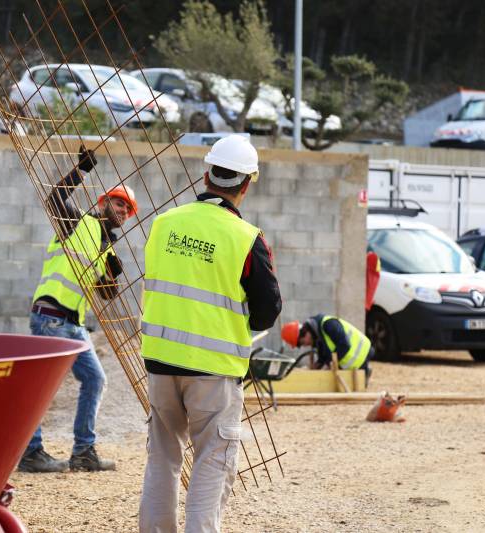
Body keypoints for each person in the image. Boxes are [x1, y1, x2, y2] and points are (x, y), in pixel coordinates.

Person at [138, 135, 282, 533]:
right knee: (212, 462)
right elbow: (268, 311)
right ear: (246, 184)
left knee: (162, 459)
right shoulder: (246, 238)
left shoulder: (163, 224)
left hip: (160, 363)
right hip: (214, 371)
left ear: (207, 175)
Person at [18, 146, 137, 474]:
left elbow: (105, 295)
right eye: (118, 203)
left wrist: (112, 276)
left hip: (72, 322)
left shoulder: (105, 246)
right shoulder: (77, 221)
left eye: (127, 209)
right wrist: (81, 170)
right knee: (42, 386)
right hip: (51, 316)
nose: (123, 211)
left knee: (95, 379)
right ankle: (31, 452)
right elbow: (54, 198)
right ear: (102, 203)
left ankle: (83, 452)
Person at [281, 314, 373, 381]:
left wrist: (330, 365)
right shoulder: (319, 336)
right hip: (353, 365)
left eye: (303, 342)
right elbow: (324, 356)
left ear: (305, 332)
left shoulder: (328, 324)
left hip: (362, 356)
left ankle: (367, 370)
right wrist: (316, 367)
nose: (306, 345)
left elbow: (344, 345)